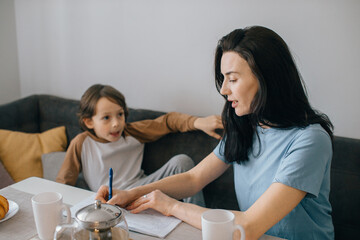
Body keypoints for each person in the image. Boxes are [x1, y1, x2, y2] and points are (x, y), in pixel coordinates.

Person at [95, 26, 334, 240]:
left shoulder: (310, 140)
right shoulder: (246, 127)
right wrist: (133, 193)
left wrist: (170, 206)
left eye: (232, 79)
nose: (223, 89)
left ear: (266, 79)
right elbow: (193, 178)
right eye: (223, 79)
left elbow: (249, 226)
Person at [56, 84, 223, 206]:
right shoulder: (81, 143)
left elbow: (167, 121)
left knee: (182, 162)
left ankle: (197, 220)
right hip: (106, 202)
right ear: (89, 121)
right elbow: (63, 182)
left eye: (120, 115)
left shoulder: (132, 132)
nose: (116, 124)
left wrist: (198, 122)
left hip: (140, 190)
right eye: (106, 118)